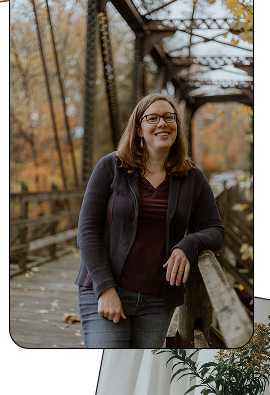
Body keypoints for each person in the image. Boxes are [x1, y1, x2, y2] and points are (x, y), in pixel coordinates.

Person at [76, 93, 225, 348]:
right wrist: (105, 288)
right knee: (111, 373)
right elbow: (87, 231)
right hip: (107, 289)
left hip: (158, 300)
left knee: (141, 376)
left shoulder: (192, 178)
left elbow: (216, 231)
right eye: (152, 118)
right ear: (139, 128)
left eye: (169, 117)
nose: (162, 123)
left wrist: (189, 243)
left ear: (177, 125)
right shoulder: (110, 167)